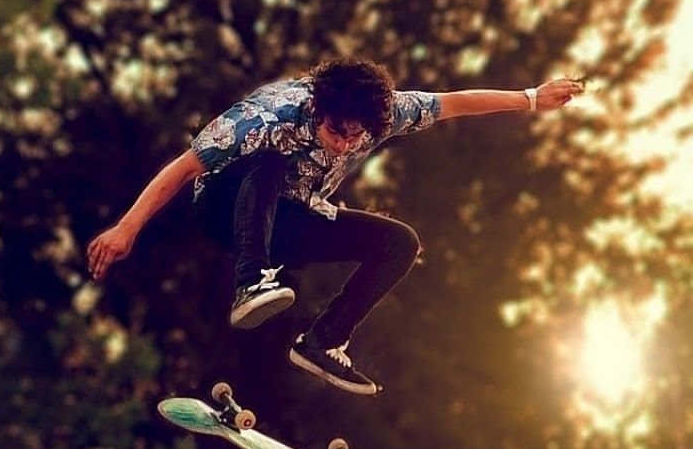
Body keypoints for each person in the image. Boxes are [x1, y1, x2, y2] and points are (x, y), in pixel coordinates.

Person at [87, 57, 583, 395]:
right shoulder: (266, 116)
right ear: (319, 111)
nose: (345, 145)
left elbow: (452, 103)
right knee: (270, 161)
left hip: (290, 220)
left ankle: (323, 341)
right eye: (335, 132)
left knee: (399, 242)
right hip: (224, 208)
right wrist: (126, 229)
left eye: (356, 137)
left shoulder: (384, 114)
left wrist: (531, 98)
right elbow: (183, 167)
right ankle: (248, 282)